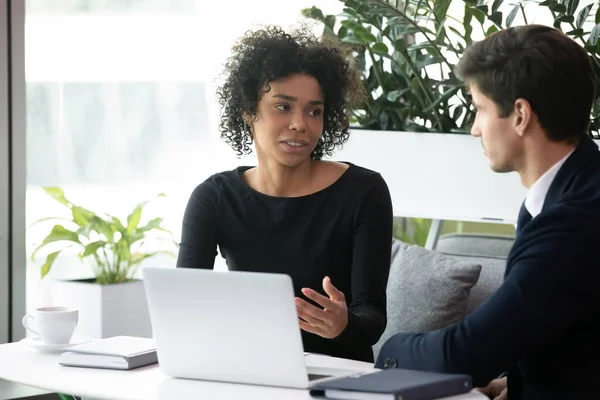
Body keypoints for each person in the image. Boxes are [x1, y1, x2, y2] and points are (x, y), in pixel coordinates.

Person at [375, 24, 600, 399]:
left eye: (479, 109)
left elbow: (464, 354)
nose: (474, 129)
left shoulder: (574, 223)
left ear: (520, 115)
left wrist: (390, 350)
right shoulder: (576, 188)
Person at [176, 26, 393, 363]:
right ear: (249, 111)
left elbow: (372, 318)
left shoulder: (364, 192)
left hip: (339, 376)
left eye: (314, 111)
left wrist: (343, 325)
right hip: (248, 370)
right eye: (282, 107)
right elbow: (182, 307)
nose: (300, 124)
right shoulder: (214, 199)